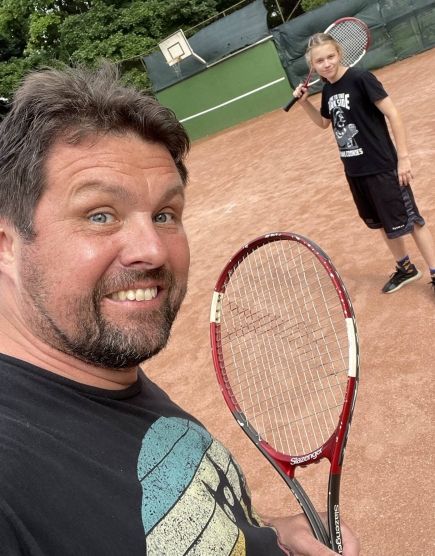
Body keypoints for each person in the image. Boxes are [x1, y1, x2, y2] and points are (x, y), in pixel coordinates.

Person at [0, 64, 360, 556]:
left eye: (165, 214)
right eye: (100, 215)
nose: (152, 250)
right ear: (7, 243)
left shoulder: (95, 365)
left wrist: (270, 532)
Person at [293, 33, 435, 306]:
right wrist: (303, 102)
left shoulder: (361, 79)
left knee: (412, 221)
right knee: (381, 221)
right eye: (319, 61)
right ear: (312, 65)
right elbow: (324, 123)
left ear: (339, 54)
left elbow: (394, 114)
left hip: (382, 166)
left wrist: (403, 158)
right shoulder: (328, 90)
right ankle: (405, 268)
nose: (327, 63)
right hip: (355, 170)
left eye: (330, 56)